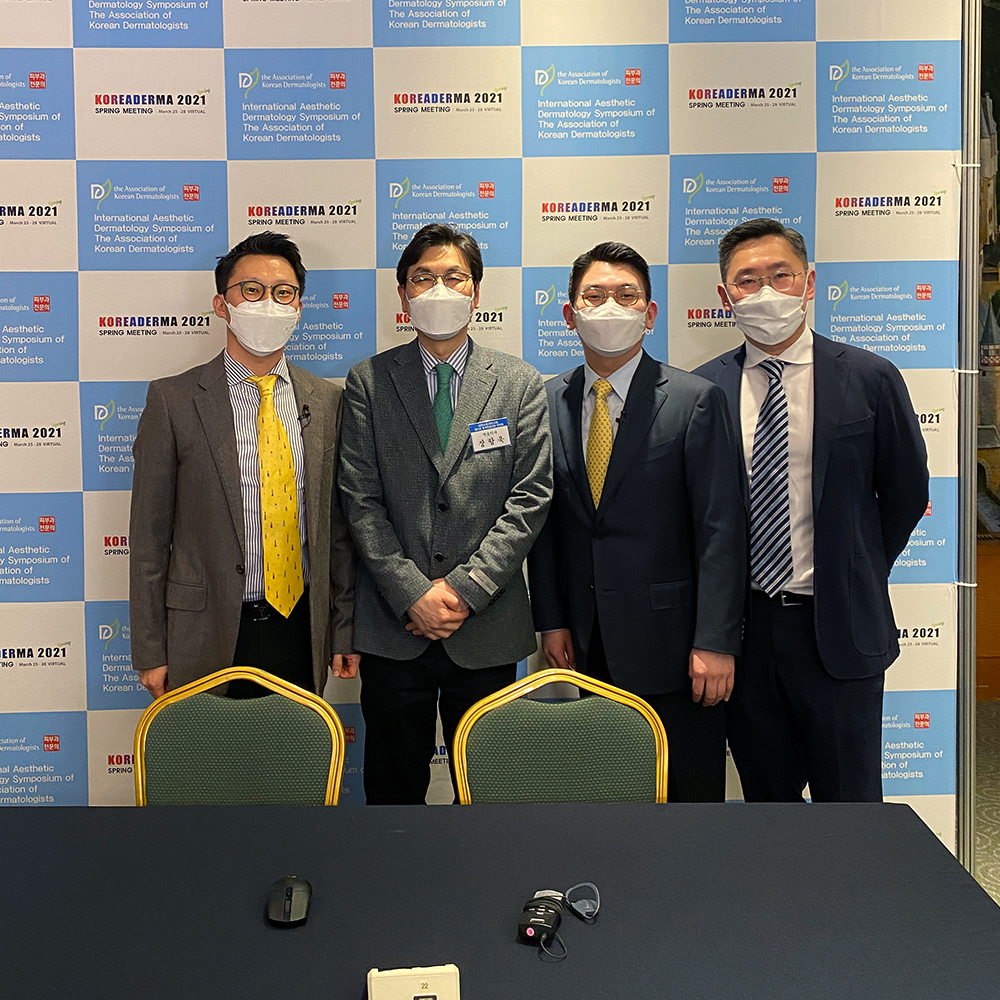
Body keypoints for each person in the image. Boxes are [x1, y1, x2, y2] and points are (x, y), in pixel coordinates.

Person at [695, 217, 929, 802]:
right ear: (725, 296)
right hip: (745, 636)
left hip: (839, 630)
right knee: (767, 807)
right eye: (748, 280)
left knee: (850, 809)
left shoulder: (870, 377)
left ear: (810, 282)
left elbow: (904, 493)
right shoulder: (703, 391)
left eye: (781, 275)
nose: (766, 291)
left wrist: (854, 567)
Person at [338, 223, 552, 805]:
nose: (439, 289)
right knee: (392, 789)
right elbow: (360, 500)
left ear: (476, 292)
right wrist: (413, 592)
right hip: (394, 626)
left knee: (487, 793)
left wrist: (463, 590)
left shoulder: (518, 383)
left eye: (454, 277)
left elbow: (530, 498)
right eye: (423, 277)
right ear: (403, 294)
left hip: (484, 626)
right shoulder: (368, 382)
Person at [527, 241, 746, 802]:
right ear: (569, 314)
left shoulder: (695, 400)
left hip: (677, 649)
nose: (610, 307)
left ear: (649, 314)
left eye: (626, 295)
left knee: (688, 805)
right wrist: (552, 621)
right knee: (607, 801)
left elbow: (720, 531)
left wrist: (715, 641)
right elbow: (545, 526)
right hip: (587, 641)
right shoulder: (546, 401)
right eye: (594, 295)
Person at [130, 231, 358, 700]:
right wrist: (150, 649)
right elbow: (149, 539)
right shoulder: (174, 401)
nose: (268, 303)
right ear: (221, 304)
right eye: (251, 290)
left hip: (300, 626)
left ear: (298, 307)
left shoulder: (328, 401)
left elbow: (337, 530)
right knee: (212, 749)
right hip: (205, 629)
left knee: (297, 747)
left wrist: (343, 628)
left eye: (283, 292)